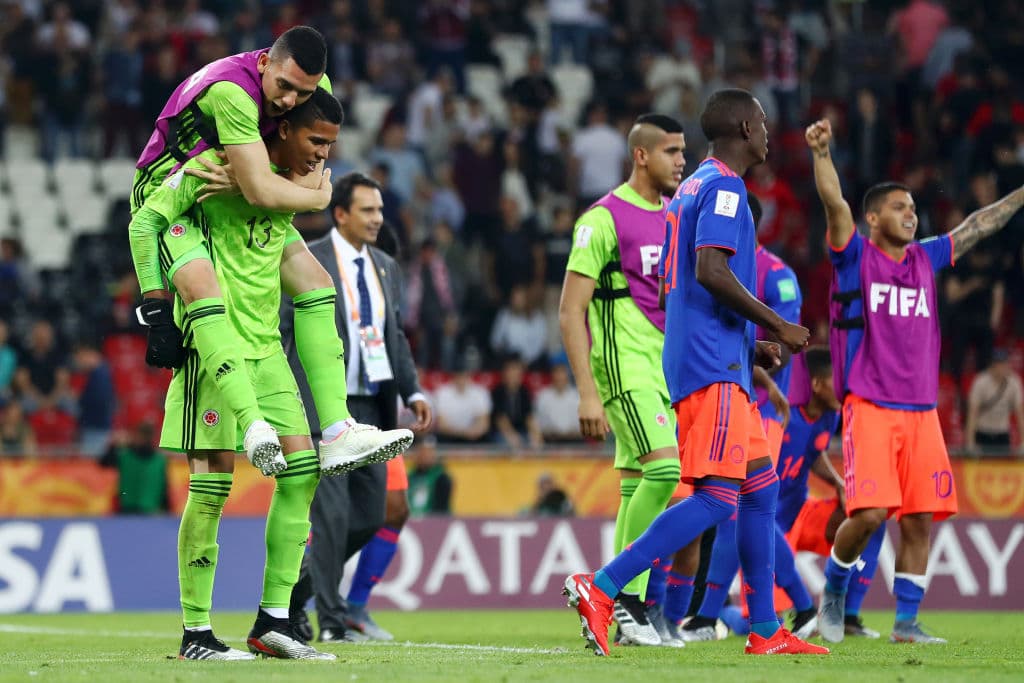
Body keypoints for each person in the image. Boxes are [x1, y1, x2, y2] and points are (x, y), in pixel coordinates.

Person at [146, 89, 407, 661]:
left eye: (330, 146)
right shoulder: (213, 170)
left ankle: (274, 622)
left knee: (303, 475)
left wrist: (306, 189)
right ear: (282, 131)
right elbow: (148, 219)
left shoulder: (282, 194)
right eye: (316, 142)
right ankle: (196, 634)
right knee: (211, 490)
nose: (323, 157)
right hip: (211, 355)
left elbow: (300, 203)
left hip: (267, 356)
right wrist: (155, 304)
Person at [564, 89, 826, 657]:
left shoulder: (689, 189)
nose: (765, 131)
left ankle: (763, 629)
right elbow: (710, 270)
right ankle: (602, 586)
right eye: (759, 121)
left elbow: (674, 283)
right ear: (739, 126)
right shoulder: (726, 188)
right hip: (711, 369)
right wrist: (777, 326)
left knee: (760, 489)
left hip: (718, 357)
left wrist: (748, 343)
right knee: (715, 500)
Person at [129, 28, 408, 481]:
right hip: (180, 190)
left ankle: (338, 431)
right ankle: (251, 423)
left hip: (229, 192)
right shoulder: (232, 93)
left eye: (305, 91)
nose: (291, 102)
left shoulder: (314, 92)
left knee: (318, 284)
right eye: (284, 88)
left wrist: (260, 181)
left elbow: (290, 177)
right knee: (206, 289)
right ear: (264, 64)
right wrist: (318, 199)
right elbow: (273, 190)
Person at [806, 116, 1024, 644]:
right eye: (900, 208)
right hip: (871, 407)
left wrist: (1020, 196)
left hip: (922, 411)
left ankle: (906, 622)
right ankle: (833, 592)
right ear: (873, 217)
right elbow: (835, 205)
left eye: (914, 207)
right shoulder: (855, 257)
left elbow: (979, 225)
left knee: (920, 517)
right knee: (872, 511)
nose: (912, 214)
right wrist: (821, 154)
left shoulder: (926, 258)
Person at [282, 172, 431, 645]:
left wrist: (414, 392)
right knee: (330, 517)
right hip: (326, 408)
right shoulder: (306, 257)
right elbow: (287, 331)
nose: (377, 219)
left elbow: (395, 338)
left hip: (373, 405)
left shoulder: (386, 265)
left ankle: (290, 598)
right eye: (367, 210)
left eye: (380, 210)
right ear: (340, 213)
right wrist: (293, 401)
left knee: (370, 514)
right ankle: (332, 621)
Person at [559, 113, 686, 647]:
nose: (682, 161)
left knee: (638, 483)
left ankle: (620, 611)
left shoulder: (675, 218)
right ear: (641, 155)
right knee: (667, 473)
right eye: (672, 152)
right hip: (624, 366)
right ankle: (620, 596)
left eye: (683, 152)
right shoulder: (602, 218)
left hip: (666, 369)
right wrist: (587, 389)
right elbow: (570, 310)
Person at [680, 192, 813, 641]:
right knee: (736, 505)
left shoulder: (776, 275)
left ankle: (715, 615)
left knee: (743, 505)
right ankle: (767, 617)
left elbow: (785, 348)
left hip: (763, 405)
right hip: (726, 388)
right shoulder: (719, 264)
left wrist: (767, 383)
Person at [99, 422, 168, 515]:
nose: (144, 439)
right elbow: (103, 463)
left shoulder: (159, 460)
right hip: (128, 510)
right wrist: (114, 445)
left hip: (148, 512)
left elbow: (164, 488)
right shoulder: (125, 456)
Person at [965, 348, 1024, 455]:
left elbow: (1020, 413)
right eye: (999, 364)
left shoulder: (1014, 382)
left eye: (1004, 364)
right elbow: (973, 412)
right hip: (982, 433)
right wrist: (970, 443)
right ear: (992, 365)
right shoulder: (980, 382)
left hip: (1002, 434)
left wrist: (1023, 442)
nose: (1002, 367)